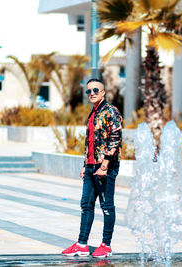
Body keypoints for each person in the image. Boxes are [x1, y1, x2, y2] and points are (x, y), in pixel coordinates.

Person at [61, 78, 123, 258]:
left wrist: (105, 164)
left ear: (103, 92)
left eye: (96, 90)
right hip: (90, 166)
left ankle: (106, 245)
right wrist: (85, 165)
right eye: (89, 91)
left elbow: (115, 138)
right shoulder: (93, 113)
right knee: (86, 204)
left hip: (105, 166)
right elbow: (91, 143)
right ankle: (81, 244)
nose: (92, 93)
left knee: (106, 205)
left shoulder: (111, 111)